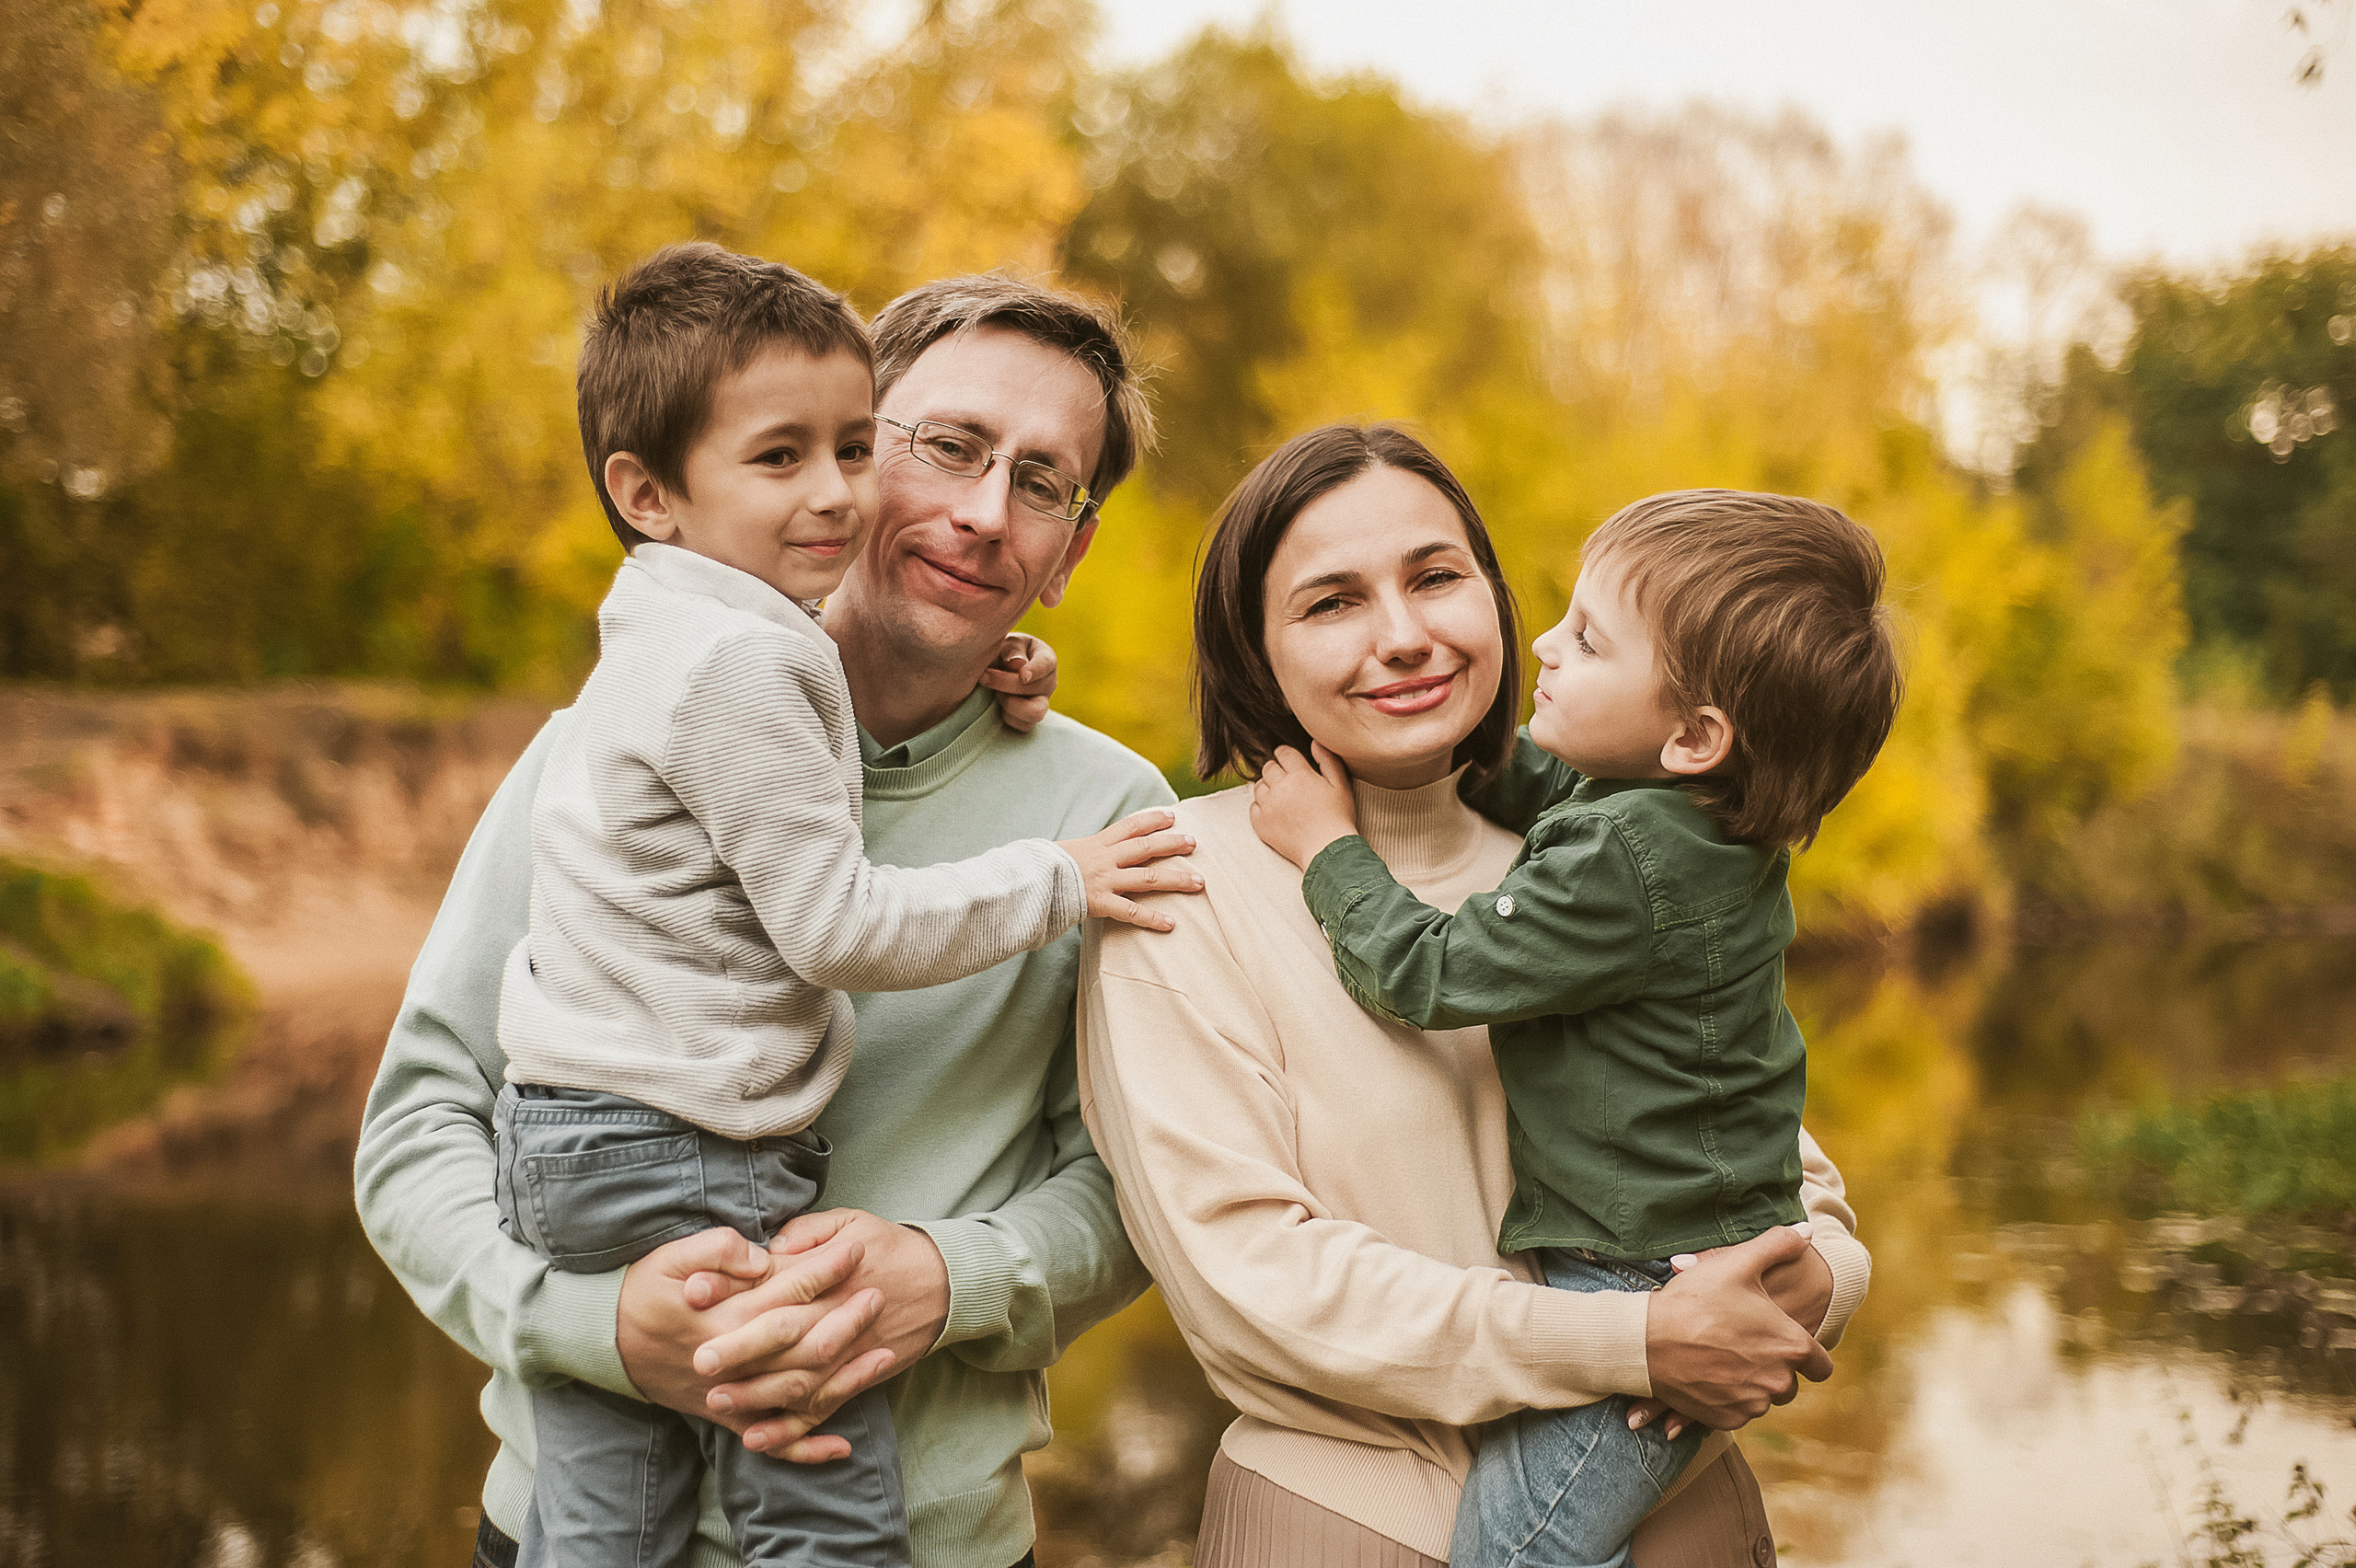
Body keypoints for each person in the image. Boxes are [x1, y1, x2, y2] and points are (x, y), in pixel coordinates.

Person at [356, 269, 1172, 1568]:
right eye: (947, 445)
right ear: (852, 453)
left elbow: (1144, 1195)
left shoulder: (1115, 819)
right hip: (565, 1528)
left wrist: (949, 1278)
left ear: (1068, 553)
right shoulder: (609, 741)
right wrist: (587, 1322)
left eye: (1040, 483)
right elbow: (416, 1129)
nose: (981, 512)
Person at [1077, 425, 1873, 1568]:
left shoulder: (1595, 848)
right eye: (1331, 601)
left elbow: (1765, 1169)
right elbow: (1259, 1286)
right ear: (1254, 650)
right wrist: (1635, 1340)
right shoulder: (1175, 886)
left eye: (1436, 577)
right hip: (1353, 1523)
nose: (1403, 635)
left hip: (1675, 1506)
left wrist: (1802, 1288)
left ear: (1492, 599)